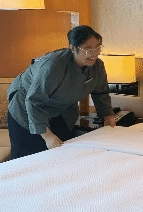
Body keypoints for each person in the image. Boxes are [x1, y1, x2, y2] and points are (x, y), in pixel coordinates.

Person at [7, 25, 116, 159]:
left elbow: (101, 92)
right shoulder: (53, 66)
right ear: (73, 48)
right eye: (88, 48)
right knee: (30, 157)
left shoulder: (98, 66)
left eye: (97, 47)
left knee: (63, 151)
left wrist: (108, 115)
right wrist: (47, 135)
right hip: (26, 105)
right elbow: (34, 100)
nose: (94, 53)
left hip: (60, 108)